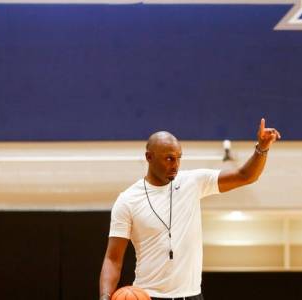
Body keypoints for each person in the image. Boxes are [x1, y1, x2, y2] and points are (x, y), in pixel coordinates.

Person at [98, 118, 281, 300]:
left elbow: (245, 175)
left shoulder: (192, 182)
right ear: (149, 157)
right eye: (169, 158)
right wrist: (105, 297)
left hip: (192, 296)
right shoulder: (128, 200)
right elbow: (113, 259)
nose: (175, 165)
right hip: (148, 295)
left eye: (179, 158)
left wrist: (262, 148)